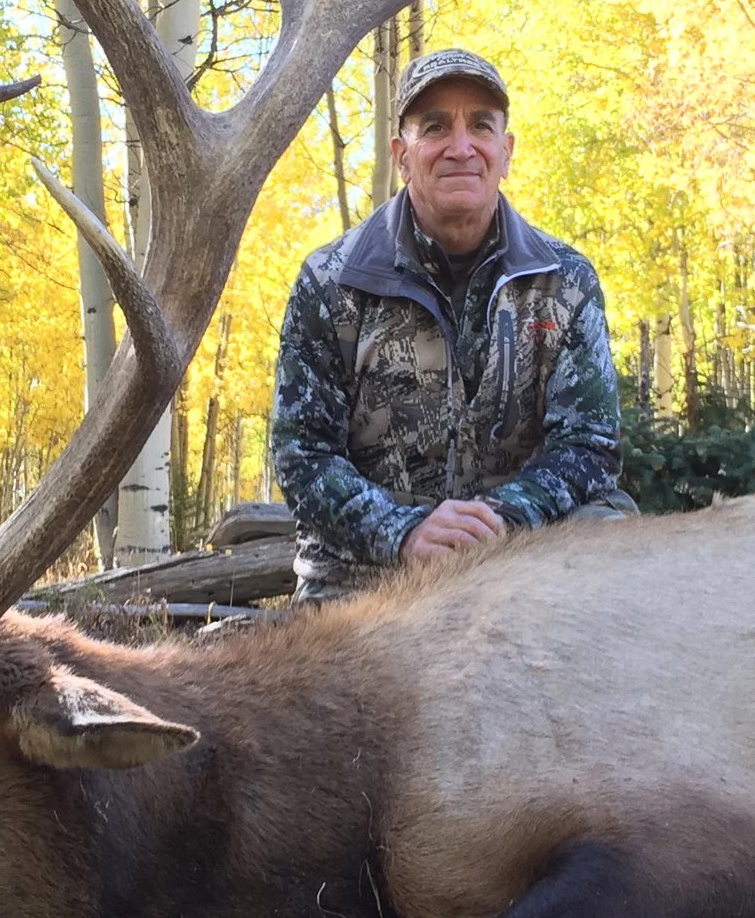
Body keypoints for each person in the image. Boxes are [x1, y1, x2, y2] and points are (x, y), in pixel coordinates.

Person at [270, 47, 634, 603]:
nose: (461, 147)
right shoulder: (332, 282)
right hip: (372, 575)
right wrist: (404, 532)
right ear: (402, 154)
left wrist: (498, 522)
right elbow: (301, 454)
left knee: (619, 545)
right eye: (435, 126)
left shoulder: (566, 281)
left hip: (524, 554)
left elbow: (589, 444)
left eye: (481, 126)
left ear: (506, 152)